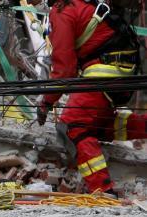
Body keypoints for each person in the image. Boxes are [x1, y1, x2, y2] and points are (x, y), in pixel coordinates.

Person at [38, 0, 144, 194]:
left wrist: (46, 102)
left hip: (104, 70)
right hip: (121, 68)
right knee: (97, 125)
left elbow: (64, 70)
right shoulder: (77, 5)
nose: (28, 2)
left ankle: (102, 190)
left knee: (72, 125)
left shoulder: (61, 12)